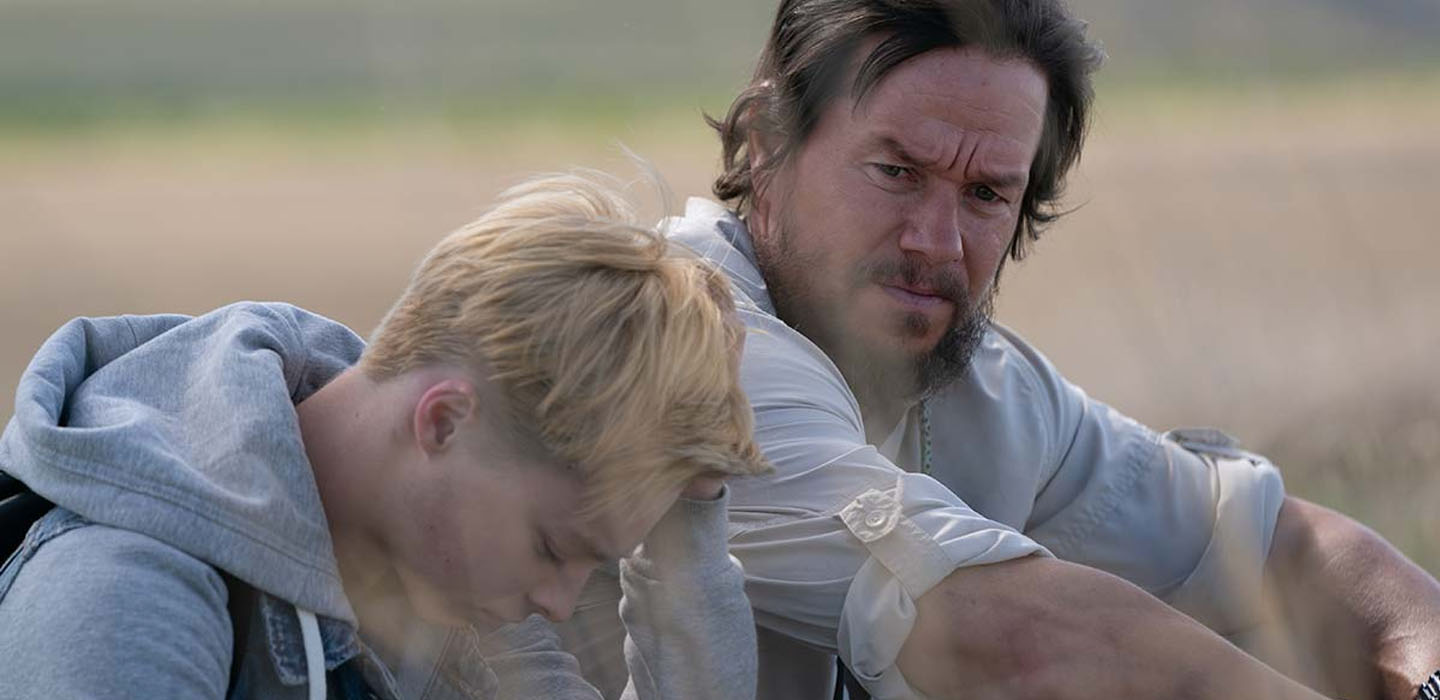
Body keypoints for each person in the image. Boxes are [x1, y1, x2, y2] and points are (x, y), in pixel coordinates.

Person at [553, 1, 1440, 698]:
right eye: (896, 171)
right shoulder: (682, 335)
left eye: (985, 192)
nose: (937, 243)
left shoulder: (979, 385)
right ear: (767, 144)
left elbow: (1269, 546)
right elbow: (1000, 635)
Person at [0, 173, 770, 699]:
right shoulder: (122, 600)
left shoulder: (441, 599)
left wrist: (688, 522)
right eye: (551, 547)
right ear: (442, 421)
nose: (559, 603)